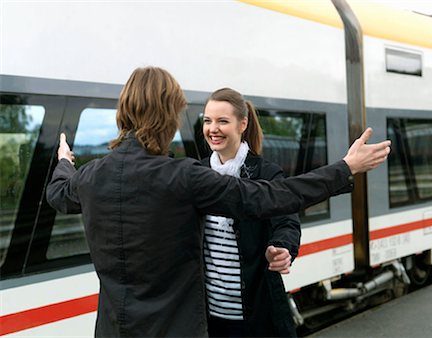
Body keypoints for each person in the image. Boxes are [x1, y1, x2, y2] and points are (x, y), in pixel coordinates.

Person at [46, 66, 391, 338]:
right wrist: (345, 168)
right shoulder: (183, 176)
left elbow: (58, 194)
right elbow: (270, 198)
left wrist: (64, 161)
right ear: (167, 115)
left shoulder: (92, 177)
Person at [200, 88, 300, 337]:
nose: (213, 129)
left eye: (223, 121)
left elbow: (287, 222)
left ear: (242, 124)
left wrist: (282, 247)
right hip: (209, 317)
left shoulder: (266, 173)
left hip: (257, 314)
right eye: (208, 120)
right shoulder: (197, 174)